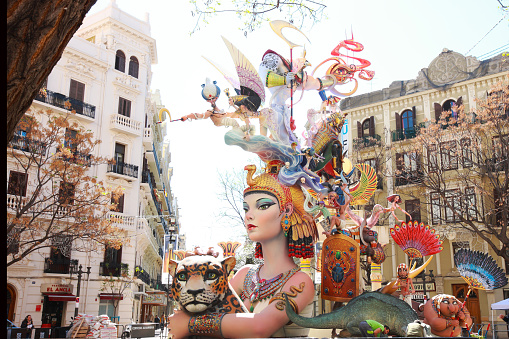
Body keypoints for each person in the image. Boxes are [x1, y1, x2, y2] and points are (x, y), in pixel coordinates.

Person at [168, 160, 318, 338]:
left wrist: (192, 324)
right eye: (246, 208)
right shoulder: (245, 275)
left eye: (262, 206)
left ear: (287, 210)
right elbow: (212, 307)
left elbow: (260, 327)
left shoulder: (301, 282)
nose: (248, 215)